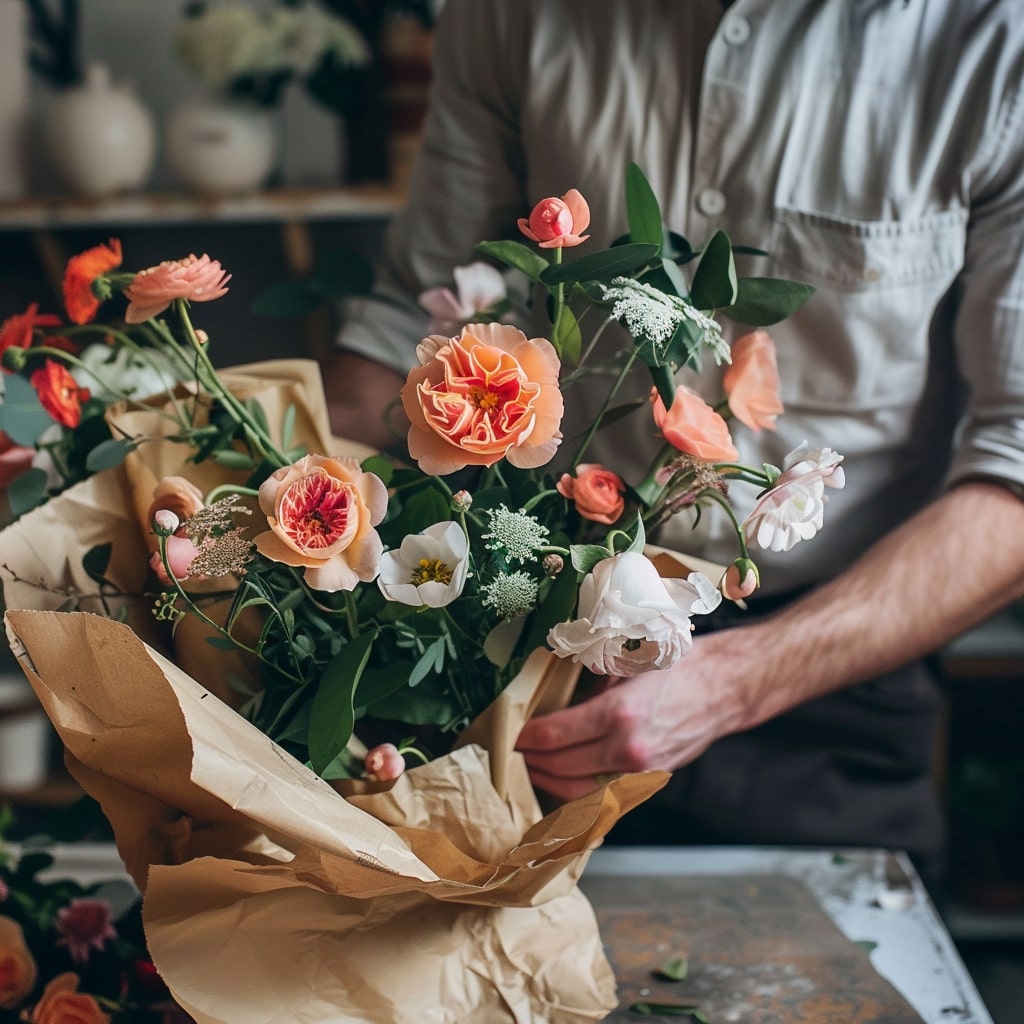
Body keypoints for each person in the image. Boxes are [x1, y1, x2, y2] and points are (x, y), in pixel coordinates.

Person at [324, 0, 1024, 886]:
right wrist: (299, 531)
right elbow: (409, 325)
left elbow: (1018, 464)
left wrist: (737, 680)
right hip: (522, 630)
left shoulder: (993, 39)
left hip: (830, 675)